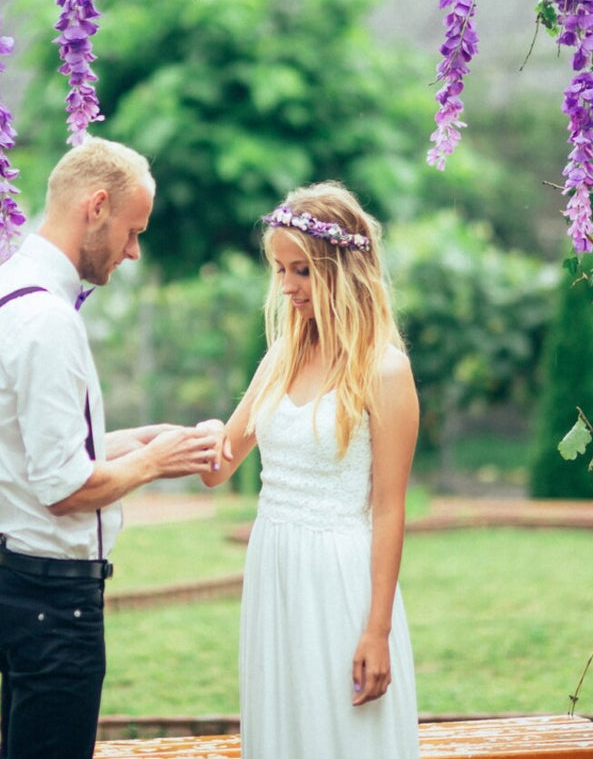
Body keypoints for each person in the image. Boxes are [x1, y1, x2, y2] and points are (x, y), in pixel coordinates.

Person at [0, 138, 221, 759]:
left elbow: (31, 448)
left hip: (16, 584)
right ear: (96, 206)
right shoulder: (46, 320)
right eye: (133, 231)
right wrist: (156, 464)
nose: (133, 251)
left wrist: (148, 436)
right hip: (54, 603)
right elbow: (66, 488)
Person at [202, 181, 420, 758]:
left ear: (341, 269)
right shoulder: (281, 357)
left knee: (343, 737)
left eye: (301, 271)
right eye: (279, 270)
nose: (288, 287)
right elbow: (220, 465)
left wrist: (377, 630)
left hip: (340, 576)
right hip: (274, 568)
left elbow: (389, 508)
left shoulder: (385, 370)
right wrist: (183, 441)